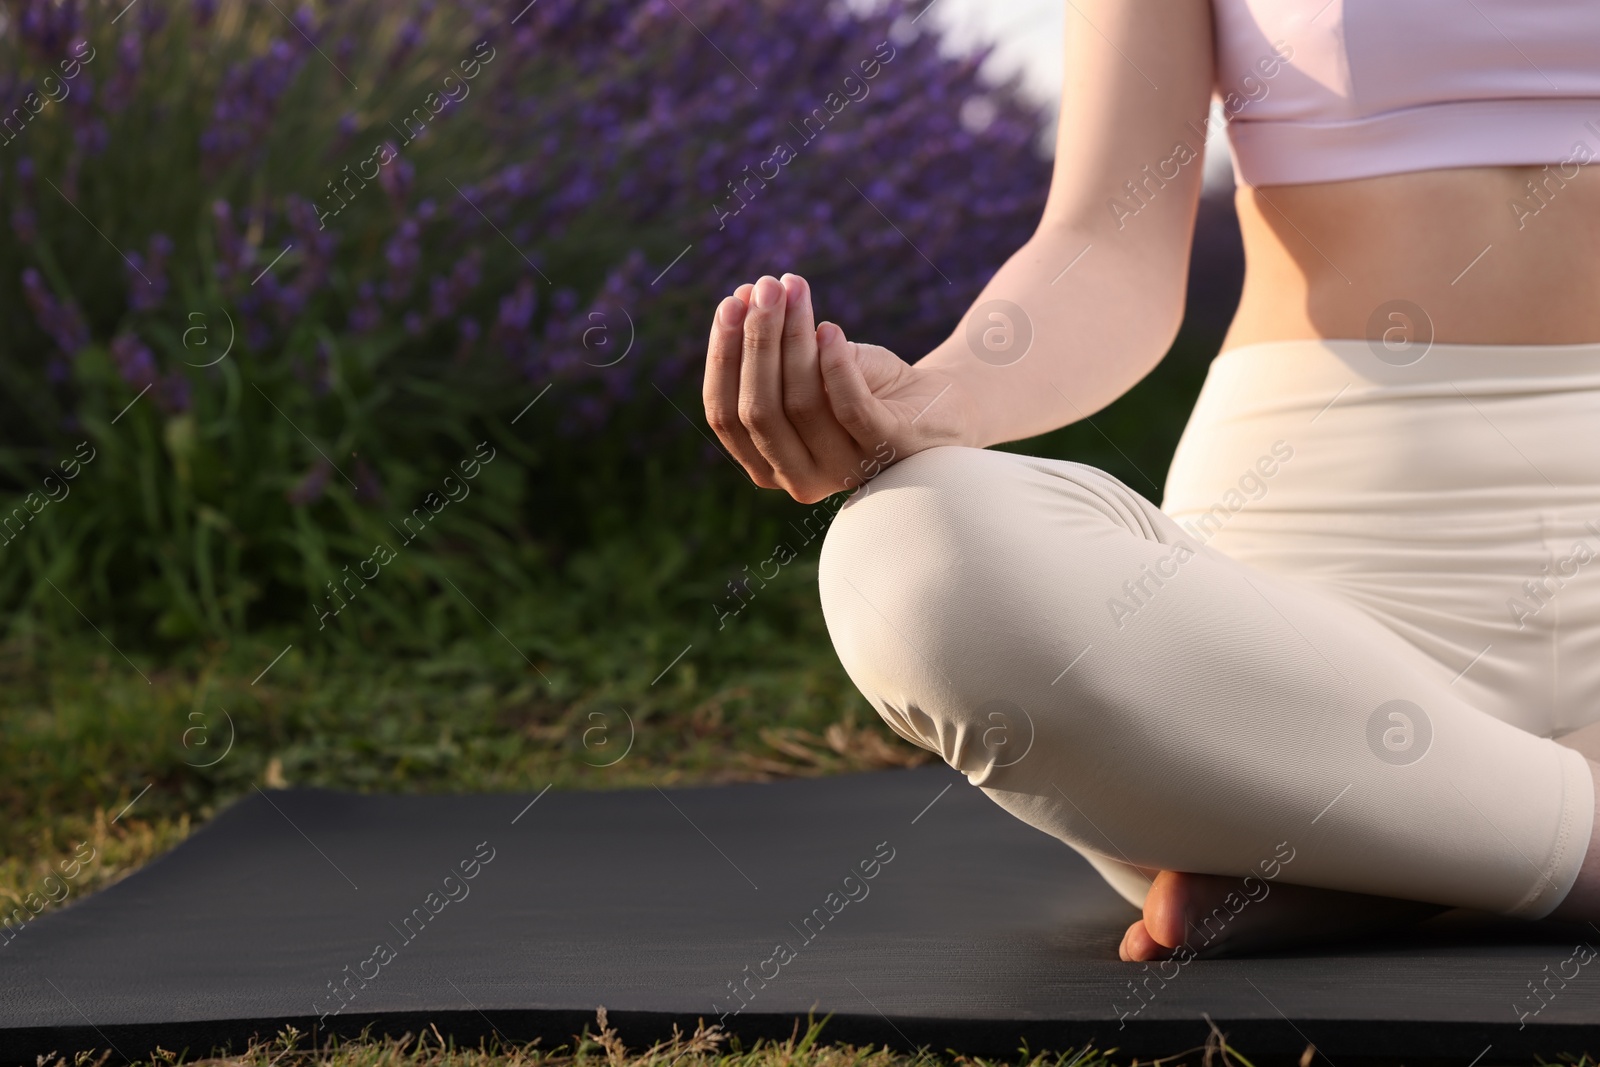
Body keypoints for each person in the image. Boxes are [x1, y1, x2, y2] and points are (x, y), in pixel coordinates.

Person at [699, 0, 1600, 960]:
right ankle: (1505, 845)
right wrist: (932, 403)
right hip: (1324, 606)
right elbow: (1110, 238)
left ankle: (1384, 854)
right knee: (911, 549)